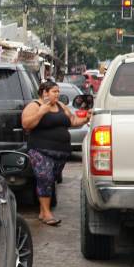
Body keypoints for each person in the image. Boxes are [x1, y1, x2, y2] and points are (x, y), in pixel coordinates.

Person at [21, 79, 91, 225]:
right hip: (40, 150)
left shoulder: (60, 106)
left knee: (50, 180)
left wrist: (85, 119)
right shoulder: (34, 106)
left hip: (61, 152)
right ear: (44, 93)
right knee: (44, 178)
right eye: (54, 91)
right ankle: (47, 214)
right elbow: (26, 124)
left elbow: (72, 121)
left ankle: (42, 211)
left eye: (58, 91)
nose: (57, 94)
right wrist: (41, 112)